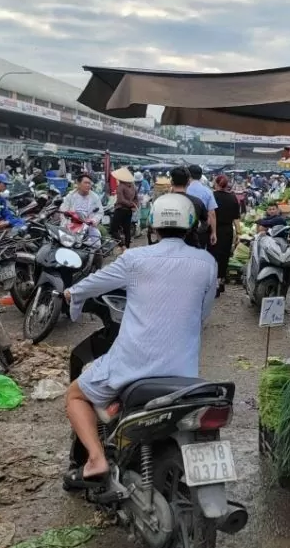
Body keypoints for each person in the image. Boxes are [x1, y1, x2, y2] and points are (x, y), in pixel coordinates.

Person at [61, 193, 217, 488]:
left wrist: (71, 294)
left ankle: (95, 458)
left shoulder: (135, 259)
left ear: (153, 226)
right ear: (190, 225)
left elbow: (95, 282)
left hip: (133, 365)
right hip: (183, 372)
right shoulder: (207, 263)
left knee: (75, 395)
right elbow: (202, 313)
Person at [210, 175, 242, 295]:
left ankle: (215, 284)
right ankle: (221, 282)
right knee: (224, 257)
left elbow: (210, 215)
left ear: (216, 183)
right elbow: (236, 218)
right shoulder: (233, 197)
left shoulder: (211, 196)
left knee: (214, 256)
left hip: (214, 230)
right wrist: (238, 233)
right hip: (228, 230)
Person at [170, 166, 209, 248]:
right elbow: (205, 224)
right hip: (191, 244)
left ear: (171, 182)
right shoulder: (197, 202)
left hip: (169, 247)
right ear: (188, 182)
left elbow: (152, 225)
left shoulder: (162, 202)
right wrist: (194, 231)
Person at [60, 174, 104, 246]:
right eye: (85, 183)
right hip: (71, 225)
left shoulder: (95, 197)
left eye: (89, 183)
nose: (88, 185)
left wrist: (93, 220)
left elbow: (99, 212)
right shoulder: (70, 196)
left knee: (96, 242)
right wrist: (66, 222)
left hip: (88, 226)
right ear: (78, 184)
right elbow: (63, 211)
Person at [186, 165, 218, 247]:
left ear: (188, 175)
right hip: (202, 230)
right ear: (201, 176)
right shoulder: (207, 191)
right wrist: (214, 232)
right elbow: (212, 214)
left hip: (185, 230)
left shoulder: (184, 190)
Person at [110, 167, 138, 251]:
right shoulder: (133, 186)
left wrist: (130, 204)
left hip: (120, 209)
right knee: (127, 230)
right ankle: (127, 247)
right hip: (129, 211)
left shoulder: (121, 186)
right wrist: (133, 205)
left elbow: (121, 200)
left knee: (113, 229)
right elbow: (136, 198)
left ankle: (123, 246)